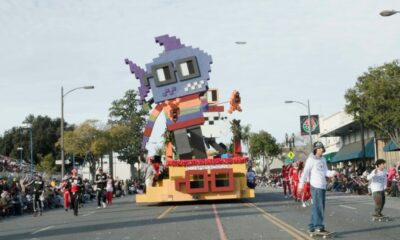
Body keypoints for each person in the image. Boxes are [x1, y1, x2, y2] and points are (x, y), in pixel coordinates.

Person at [298, 142, 336, 234]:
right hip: (315, 186)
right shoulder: (311, 160)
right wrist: (300, 185)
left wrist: (333, 173)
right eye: (319, 148)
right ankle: (318, 226)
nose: (321, 150)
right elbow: (305, 172)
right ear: (315, 150)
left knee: (316, 206)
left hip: (322, 185)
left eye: (322, 148)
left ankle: (312, 226)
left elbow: (326, 171)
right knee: (319, 207)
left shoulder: (323, 159)